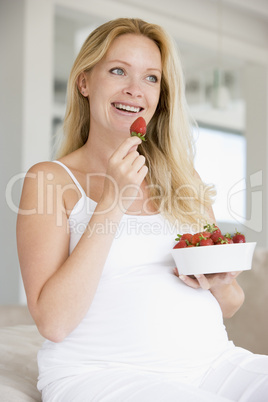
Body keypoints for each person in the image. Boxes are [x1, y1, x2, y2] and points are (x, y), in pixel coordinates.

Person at [16, 17, 268, 402]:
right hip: (101, 375)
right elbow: (53, 322)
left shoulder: (184, 179)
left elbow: (232, 304)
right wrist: (112, 201)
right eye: (118, 71)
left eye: (151, 78)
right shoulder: (50, 180)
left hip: (214, 365)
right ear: (84, 82)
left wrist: (218, 281)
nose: (135, 90)